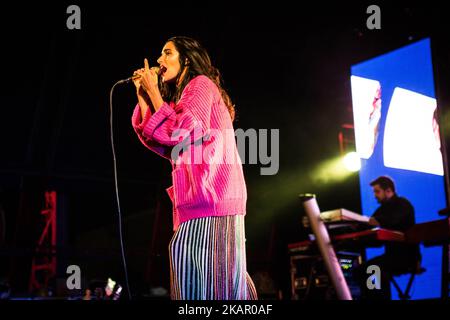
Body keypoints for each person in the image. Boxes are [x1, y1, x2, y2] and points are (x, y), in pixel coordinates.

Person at [130, 36, 257, 300]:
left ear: (186, 58)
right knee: (201, 282)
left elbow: (183, 129)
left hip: (213, 197)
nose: (159, 61)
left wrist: (154, 92)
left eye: (167, 53)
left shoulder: (201, 85)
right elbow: (163, 140)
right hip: (197, 201)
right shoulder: (185, 96)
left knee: (214, 285)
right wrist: (143, 97)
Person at [354, 176, 421, 300]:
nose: (375, 195)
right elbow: (372, 227)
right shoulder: (382, 209)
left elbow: (390, 221)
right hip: (392, 256)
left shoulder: (403, 204)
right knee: (361, 270)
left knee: (372, 269)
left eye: (377, 191)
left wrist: (372, 222)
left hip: (407, 256)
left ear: (389, 191)